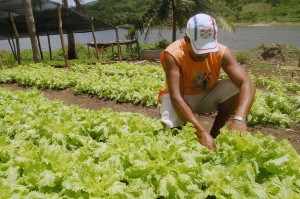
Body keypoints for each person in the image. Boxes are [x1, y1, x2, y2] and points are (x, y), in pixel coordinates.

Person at [158, 13, 256, 151]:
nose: (203, 54)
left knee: (236, 87)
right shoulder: (173, 54)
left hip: (207, 95)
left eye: (207, 48)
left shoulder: (222, 52)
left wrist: (240, 117)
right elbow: (177, 97)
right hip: (181, 99)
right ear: (186, 39)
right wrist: (201, 132)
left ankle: (214, 134)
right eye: (199, 49)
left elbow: (248, 84)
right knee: (170, 110)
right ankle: (180, 144)